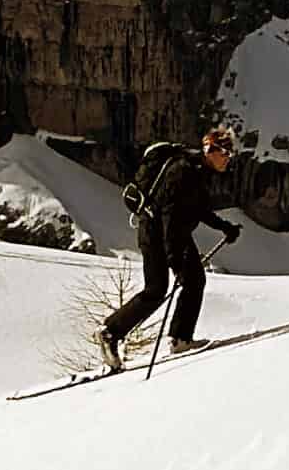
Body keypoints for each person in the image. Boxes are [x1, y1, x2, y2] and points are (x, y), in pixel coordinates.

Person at [99, 127, 243, 370]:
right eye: (225, 153)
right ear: (210, 150)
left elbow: (199, 209)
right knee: (177, 285)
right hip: (161, 235)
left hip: (161, 233)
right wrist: (174, 255)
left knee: (171, 286)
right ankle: (172, 338)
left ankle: (120, 333)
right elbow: (171, 214)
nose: (229, 158)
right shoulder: (185, 171)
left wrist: (224, 227)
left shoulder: (196, 171)